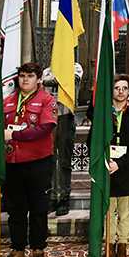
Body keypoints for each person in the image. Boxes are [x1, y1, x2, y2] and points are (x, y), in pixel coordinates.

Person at [0, 62, 58, 257]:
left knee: (38, 210)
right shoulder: (8, 101)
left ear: (38, 79)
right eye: (22, 76)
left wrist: (15, 135)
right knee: (15, 210)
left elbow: (44, 129)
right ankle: (17, 251)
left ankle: (38, 252)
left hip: (37, 163)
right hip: (12, 163)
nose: (25, 80)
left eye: (30, 76)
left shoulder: (46, 100)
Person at [98, 74, 129, 257]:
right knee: (107, 213)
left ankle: (123, 249)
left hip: (125, 170)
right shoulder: (103, 114)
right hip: (106, 170)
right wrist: (104, 160)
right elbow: (93, 140)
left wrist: (120, 162)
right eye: (117, 88)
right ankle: (109, 248)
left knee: (124, 214)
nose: (120, 91)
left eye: (124, 88)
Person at [43, 63, 83, 216]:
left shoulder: (75, 68)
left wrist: (46, 82)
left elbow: (68, 80)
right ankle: (52, 196)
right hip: (49, 119)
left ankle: (65, 197)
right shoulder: (47, 71)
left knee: (65, 162)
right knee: (50, 160)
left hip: (66, 118)